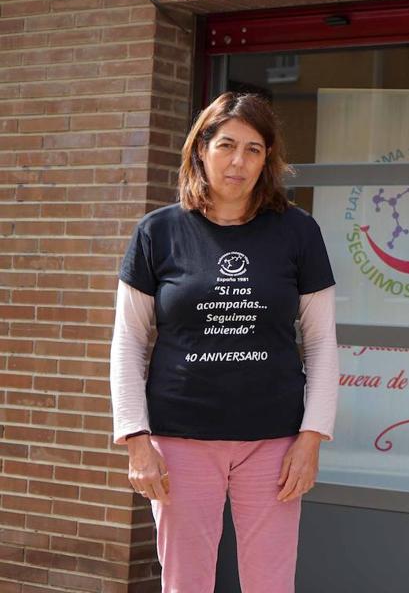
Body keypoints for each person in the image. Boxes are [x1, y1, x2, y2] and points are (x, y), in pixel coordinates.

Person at [110, 92, 339, 592]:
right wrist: (136, 441)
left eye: (254, 149)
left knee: (270, 583)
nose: (239, 160)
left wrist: (311, 437)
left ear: (268, 159)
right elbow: (127, 341)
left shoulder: (298, 232)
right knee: (186, 582)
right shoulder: (158, 233)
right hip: (180, 439)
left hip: (274, 443)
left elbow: (322, 342)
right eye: (227, 145)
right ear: (201, 149)